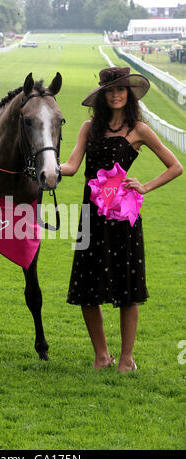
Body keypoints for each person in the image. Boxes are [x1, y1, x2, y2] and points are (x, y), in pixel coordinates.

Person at [61, 67, 183, 372]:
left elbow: (175, 166)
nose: (116, 95)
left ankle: (126, 359)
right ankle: (102, 356)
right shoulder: (89, 128)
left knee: (127, 289)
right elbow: (73, 166)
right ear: (102, 95)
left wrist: (144, 186)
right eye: (110, 90)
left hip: (123, 217)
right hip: (91, 215)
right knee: (87, 288)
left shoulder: (138, 129)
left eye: (121, 90)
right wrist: (46, 167)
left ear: (128, 94)